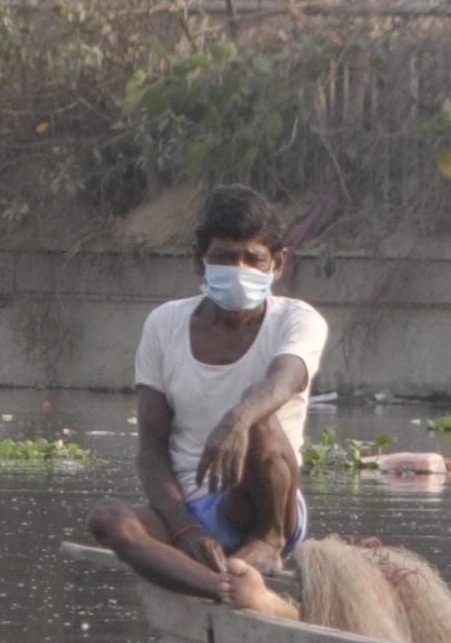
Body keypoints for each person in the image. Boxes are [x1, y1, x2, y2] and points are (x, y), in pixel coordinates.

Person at [86, 184, 325, 615]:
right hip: (188, 509)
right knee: (109, 521)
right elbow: (152, 448)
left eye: (253, 258)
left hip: (261, 505)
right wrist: (185, 530)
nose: (239, 269)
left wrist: (238, 420)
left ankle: (267, 544)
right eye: (224, 257)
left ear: (278, 263)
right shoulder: (164, 324)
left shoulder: (297, 320)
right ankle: (226, 589)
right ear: (198, 259)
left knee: (260, 419)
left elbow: (282, 382)